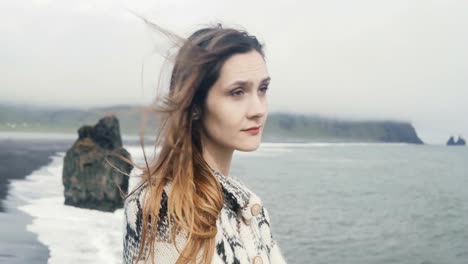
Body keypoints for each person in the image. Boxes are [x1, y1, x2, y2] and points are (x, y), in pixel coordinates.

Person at [121, 21, 287, 264]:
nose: (258, 109)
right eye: (237, 92)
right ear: (196, 105)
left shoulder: (249, 207)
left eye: (262, 89)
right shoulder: (164, 208)